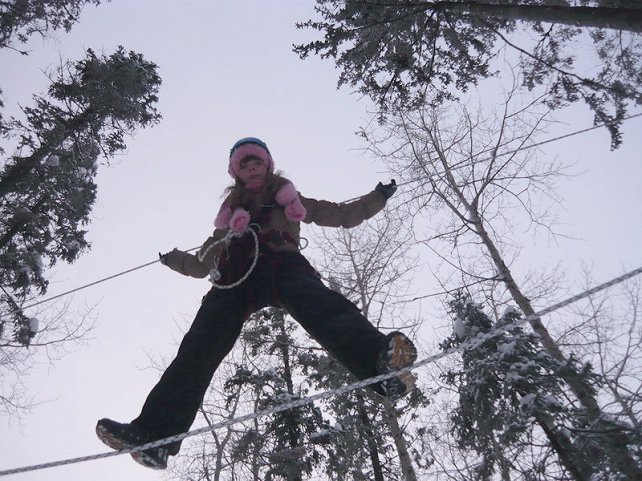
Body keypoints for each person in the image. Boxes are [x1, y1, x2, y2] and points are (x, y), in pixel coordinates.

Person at [96, 137, 417, 470]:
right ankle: (154, 436)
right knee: (200, 345)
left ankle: (383, 368)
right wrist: (173, 259)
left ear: (268, 165)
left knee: (319, 305)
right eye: (244, 165)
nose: (251, 169)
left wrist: (378, 197)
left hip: (281, 263)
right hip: (235, 276)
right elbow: (201, 264)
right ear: (236, 173)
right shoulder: (229, 219)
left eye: (257, 162)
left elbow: (341, 214)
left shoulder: (289, 199)